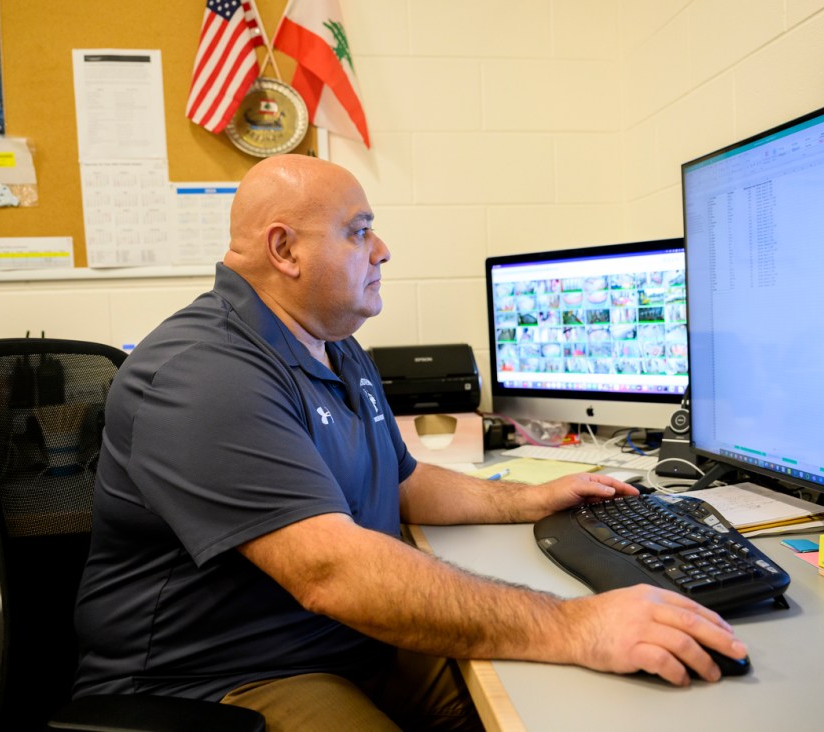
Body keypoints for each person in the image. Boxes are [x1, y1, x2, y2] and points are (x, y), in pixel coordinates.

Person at [73, 154, 747, 731]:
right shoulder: (205, 374)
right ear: (285, 250)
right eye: (359, 231)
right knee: (546, 663)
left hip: (338, 639)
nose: (383, 249)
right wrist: (574, 626)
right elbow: (332, 573)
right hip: (221, 676)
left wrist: (528, 499)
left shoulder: (331, 343)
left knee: (547, 704)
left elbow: (397, 479)